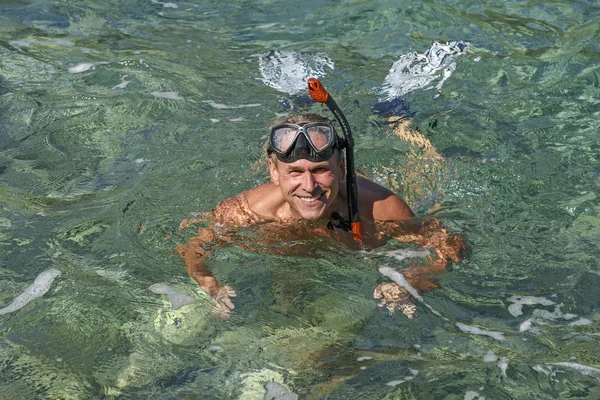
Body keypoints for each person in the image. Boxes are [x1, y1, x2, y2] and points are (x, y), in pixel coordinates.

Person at [177, 113, 465, 318]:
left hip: (361, 193)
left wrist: (414, 281)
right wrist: (210, 285)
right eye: (295, 172)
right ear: (273, 171)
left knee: (430, 172)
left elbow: (450, 243)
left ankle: (398, 118)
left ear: (341, 168)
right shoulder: (246, 212)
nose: (309, 186)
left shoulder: (381, 210)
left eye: (320, 170)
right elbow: (192, 247)